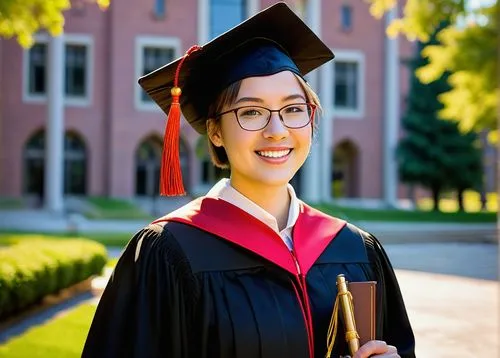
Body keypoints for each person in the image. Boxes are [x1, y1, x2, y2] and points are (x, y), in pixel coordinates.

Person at [82, 3, 415, 358]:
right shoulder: (168, 254)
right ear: (215, 132)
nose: (277, 131)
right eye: (251, 112)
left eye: (293, 109)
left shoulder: (355, 249)